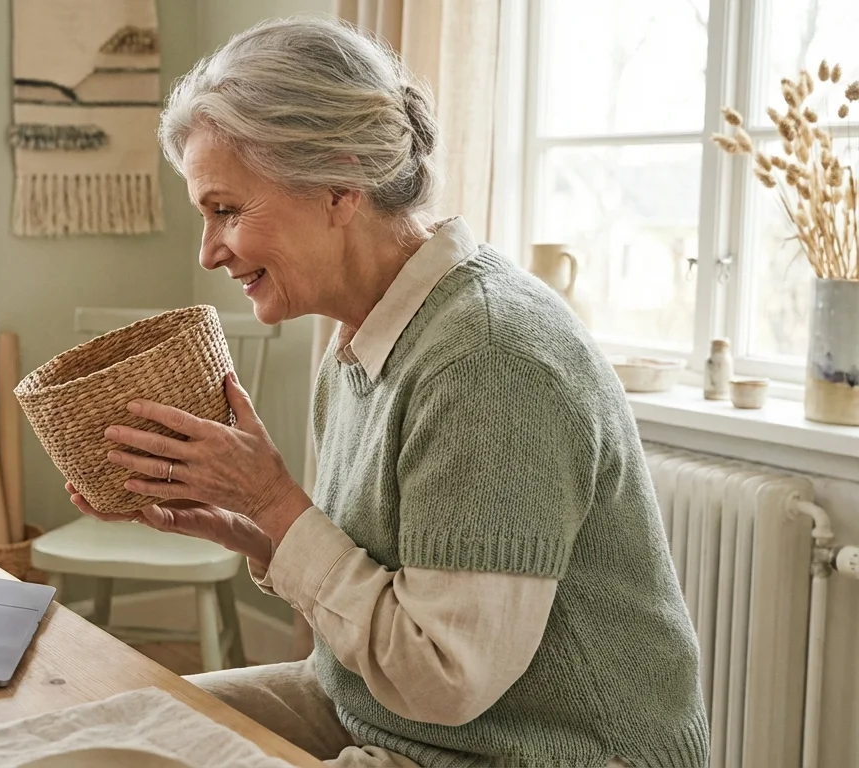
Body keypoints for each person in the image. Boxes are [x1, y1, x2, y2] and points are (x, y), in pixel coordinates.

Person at [64, 16, 708, 768]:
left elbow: (442, 678)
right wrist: (252, 522)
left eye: (227, 210)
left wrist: (276, 500)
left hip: (534, 752)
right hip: (380, 713)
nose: (208, 253)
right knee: (115, 732)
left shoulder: (491, 361)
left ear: (339, 184)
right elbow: (385, 588)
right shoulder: (363, 341)